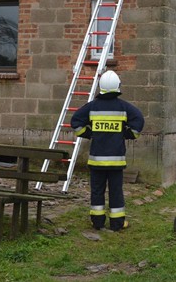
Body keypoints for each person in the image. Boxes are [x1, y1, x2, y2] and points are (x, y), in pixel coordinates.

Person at [70, 70, 145, 231]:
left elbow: (75, 122)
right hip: (116, 161)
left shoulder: (92, 107)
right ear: (118, 86)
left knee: (97, 191)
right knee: (116, 192)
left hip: (96, 161)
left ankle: (97, 222)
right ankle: (117, 223)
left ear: (101, 86)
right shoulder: (124, 107)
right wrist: (127, 134)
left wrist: (89, 133)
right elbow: (138, 120)